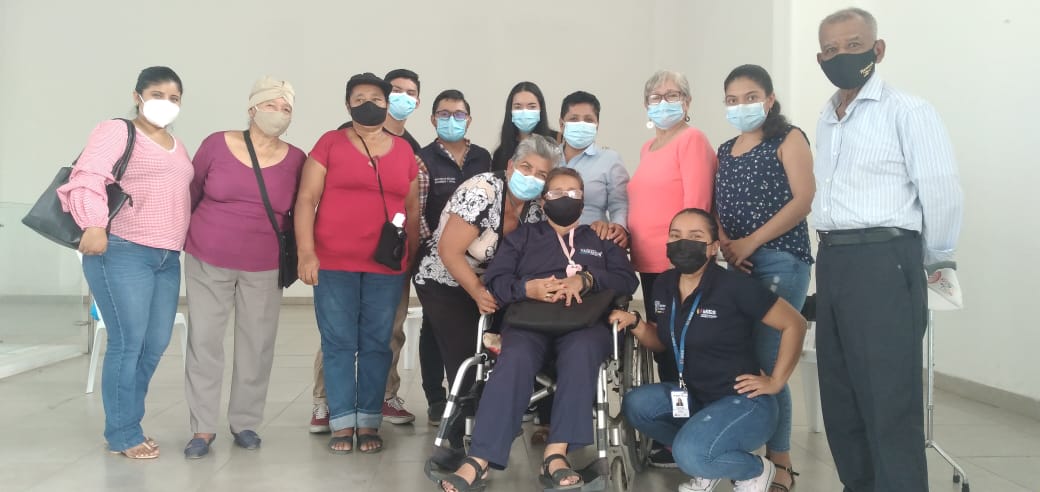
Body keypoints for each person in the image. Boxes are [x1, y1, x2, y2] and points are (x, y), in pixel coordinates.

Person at [812, 8, 963, 491]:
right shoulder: (827, 117)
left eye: (853, 45)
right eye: (831, 50)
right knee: (841, 394)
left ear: (878, 50)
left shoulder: (908, 111)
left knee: (888, 398)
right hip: (833, 259)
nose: (842, 55)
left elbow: (940, 190)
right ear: (820, 58)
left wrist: (931, 259)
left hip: (884, 259)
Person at [436, 167, 639, 492]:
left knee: (582, 350)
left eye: (573, 193)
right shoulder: (523, 237)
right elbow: (497, 280)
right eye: (557, 193)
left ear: (583, 199)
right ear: (543, 201)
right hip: (529, 320)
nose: (565, 198)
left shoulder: (600, 238)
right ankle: (479, 459)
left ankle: (556, 455)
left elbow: (627, 280)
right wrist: (526, 288)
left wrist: (588, 279)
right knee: (514, 357)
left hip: (585, 322)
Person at [615, 208, 807, 492]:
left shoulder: (734, 286)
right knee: (636, 405)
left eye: (695, 237)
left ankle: (755, 469)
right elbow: (662, 341)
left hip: (742, 402)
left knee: (688, 453)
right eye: (676, 235)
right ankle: (708, 458)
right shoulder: (665, 284)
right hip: (694, 397)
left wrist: (776, 381)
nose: (684, 243)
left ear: (713, 247)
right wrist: (635, 324)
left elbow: (795, 324)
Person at [57, 66, 193, 459]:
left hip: (167, 256)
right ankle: (123, 433)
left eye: (173, 98)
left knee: (155, 342)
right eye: (157, 94)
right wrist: (94, 224)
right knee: (128, 341)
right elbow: (87, 176)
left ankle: (128, 421)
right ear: (137, 96)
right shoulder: (118, 131)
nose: (165, 103)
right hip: (122, 250)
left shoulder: (177, 145)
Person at [295, 72, 420, 454]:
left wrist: (410, 258)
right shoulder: (329, 143)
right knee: (338, 342)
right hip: (334, 263)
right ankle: (340, 421)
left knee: (377, 343)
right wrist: (306, 252)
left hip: (385, 266)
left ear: (387, 104)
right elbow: (306, 199)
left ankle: (368, 421)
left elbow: (412, 210)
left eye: (377, 99)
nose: (369, 104)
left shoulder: (404, 152)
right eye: (360, 98)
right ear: (347, 104)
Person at [181, 77, 306, 459]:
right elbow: (191, 193)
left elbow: (299, 210)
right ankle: (202, 427)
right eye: (271, 106)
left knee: (257, 343)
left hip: (264, 264)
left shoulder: (296, 159)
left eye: (286, 109)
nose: (279, 114)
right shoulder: (216, 144)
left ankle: (246, 422)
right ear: (252, 108)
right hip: (207, 256)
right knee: (204, 340)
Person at [413, 135, 557, 443]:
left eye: (541, 174)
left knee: (508, 344)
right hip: (444, 278)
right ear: (510, 166)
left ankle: (494, 417)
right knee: (465, 351)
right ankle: (457, 436)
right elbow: (449, 251)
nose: (532, 177)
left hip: (491, 281)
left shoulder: (535, 208)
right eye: (526, 167)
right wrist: (478, 292)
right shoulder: (482, 191)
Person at [714, 64, 814, 491]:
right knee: (747, 361)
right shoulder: (725, 149)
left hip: (780, 260)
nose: (742, 106)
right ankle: (755, 450)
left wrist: (751, 242)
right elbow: (717, 206)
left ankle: (782, 463)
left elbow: (803, 199)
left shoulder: (789, 138)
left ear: (770, 99)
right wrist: (726, 245)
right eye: (732, 100)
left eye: (751, 97)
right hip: (737, 264)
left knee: (772, 362)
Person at [627, 69, 717, 467]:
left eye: (673, 94)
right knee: (664, 346)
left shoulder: (692, 140)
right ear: (646, 105)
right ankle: (673, 431)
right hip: (649, 264)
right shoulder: (648, 147)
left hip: (679, 262)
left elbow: (697, 205)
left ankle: (691, 433)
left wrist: (690, 256)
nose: (664, 101)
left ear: (688, 102)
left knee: (683, 351)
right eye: (656, 96)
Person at [415, 89, 492, 424]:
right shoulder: (422, 159)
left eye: (459, 114)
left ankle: (472, 394)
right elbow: (416, 210)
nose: (452, 120)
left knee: (470, 328)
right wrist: (434, 244)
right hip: (436, 260)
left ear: (469, 119)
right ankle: (436, 397)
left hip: (478, 261)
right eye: (444, 114)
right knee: (434, 327)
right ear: (433, 119)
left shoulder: (483, 157)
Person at [558, 90, 630, 247]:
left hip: (593, 242)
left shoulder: (610, 159)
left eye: (589, 120)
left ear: (597, 126)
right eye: (574, 119)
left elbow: (620, 204)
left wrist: (619, 227)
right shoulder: (548, 158)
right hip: (549, 242)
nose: (581, 124)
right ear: (562, 125)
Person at [490, 81, 558, 172]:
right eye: (518, 107)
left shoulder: (556, 142)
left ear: (540, 109)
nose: (524, 112)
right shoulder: (501, 153)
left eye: (532, 107)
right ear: (510, 111)